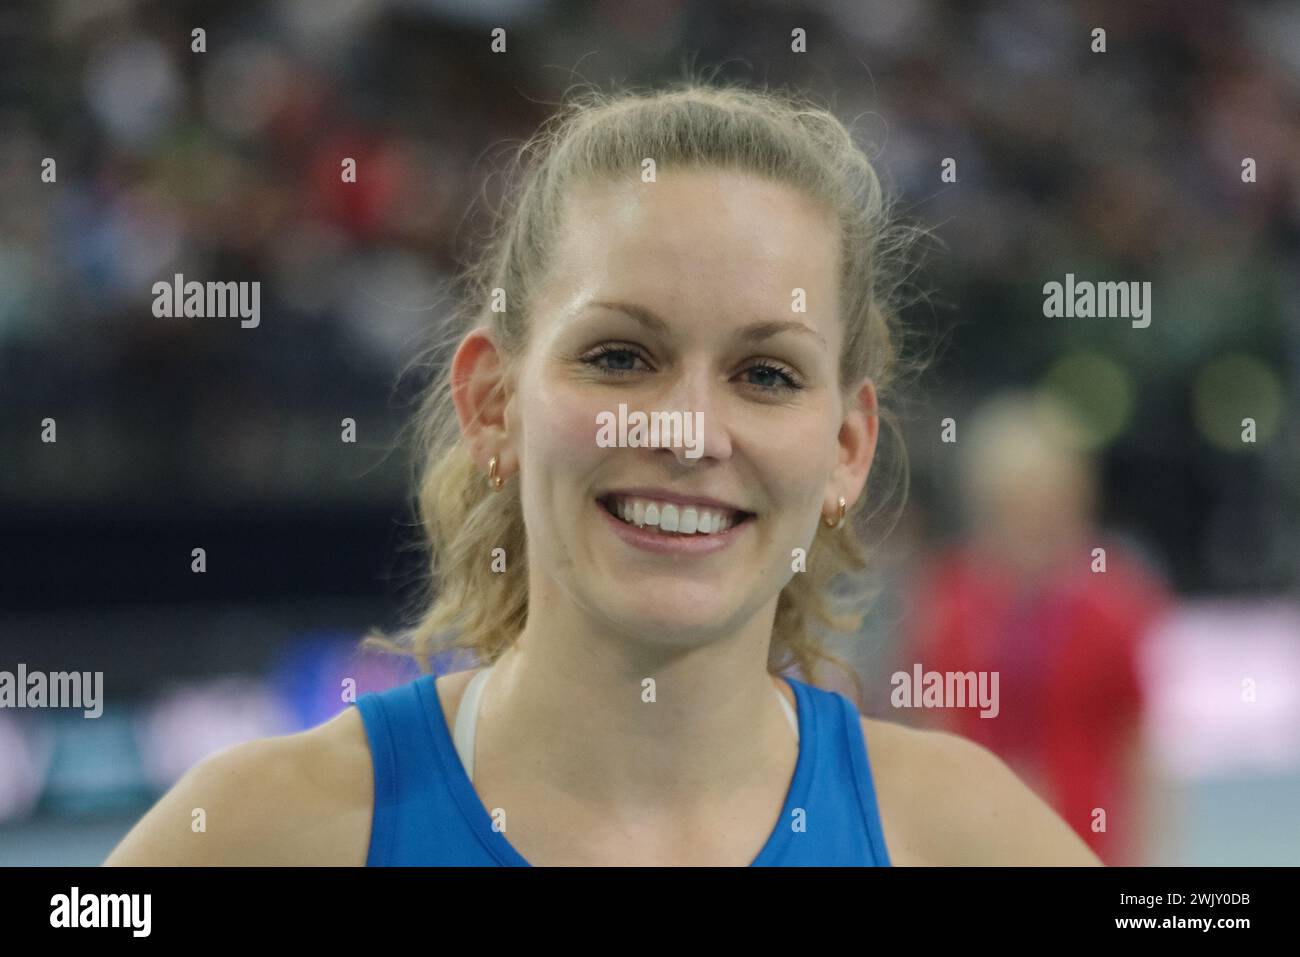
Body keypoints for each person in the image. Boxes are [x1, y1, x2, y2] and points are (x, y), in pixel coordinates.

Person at [105, 81, 1099, 866]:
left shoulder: (966, 840)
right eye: (621, 356)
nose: (689, 432)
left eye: (765, 373)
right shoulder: (264, 834)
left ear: (846, 450)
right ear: (493, 402)